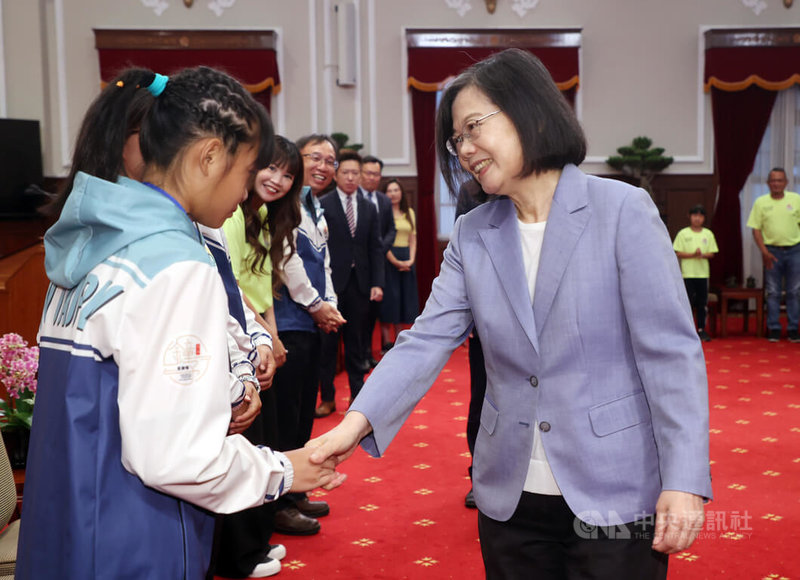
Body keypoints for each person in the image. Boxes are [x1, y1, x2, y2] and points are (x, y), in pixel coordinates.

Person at [309, 49, 711, 579]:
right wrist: (351, 426)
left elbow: (671, 355)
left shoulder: (622, 210)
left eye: (474, 127)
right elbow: (426, 341)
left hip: (615, 489)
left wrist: (683, 479)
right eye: (456, 140)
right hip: (510, 497)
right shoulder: (474, 234)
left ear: (531, 112)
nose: (465, 150)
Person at [17, 67, 343, 579]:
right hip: (136, 535)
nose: (245, 194)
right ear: (209, 156)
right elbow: (176, 458)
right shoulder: (174, 262)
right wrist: (282, 470)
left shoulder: (89, 242)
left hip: (66, 521)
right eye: (246, 171)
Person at [217, 135, 305, 577]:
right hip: (233, 342)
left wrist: (273, 337)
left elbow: (263, 284)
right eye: (272, 168)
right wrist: (261, 340)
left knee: (263, 439)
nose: (278, 179)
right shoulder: (228, 214)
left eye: (288, 174)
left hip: (255, 339)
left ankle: (256, 540)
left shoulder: (264, 215)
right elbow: (229, 287)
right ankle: (240, 553)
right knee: (244, 445)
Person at [318, 150, 384, 409]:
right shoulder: (323, 204)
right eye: (345, 172)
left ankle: (358, 395)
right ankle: (328, 398)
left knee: (358, 342)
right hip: (331, 283)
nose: (350, 177)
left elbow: (375, 247)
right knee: (328, 344)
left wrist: (377, 282)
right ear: (335, 175)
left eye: (354, 172)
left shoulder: (369, 206)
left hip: (360, 284)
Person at [455, 179, 490, 509]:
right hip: (487, 320)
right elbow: (465, 256)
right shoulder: (471, 191)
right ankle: (479, 475)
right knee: (482, 400)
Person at [746, 167, 800, 342]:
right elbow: (756, 230)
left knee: (794, 291)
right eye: (773, 180)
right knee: (774, 292)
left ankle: (793, 328)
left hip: (794, 251)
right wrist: (764, 252)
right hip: (771, 252)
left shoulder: (796, 199)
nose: (776, 183)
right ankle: (774, 328)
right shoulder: (761, 202)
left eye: (780, 180)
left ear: (786, 182)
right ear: (768, 183)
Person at [360, 155, 396, 366]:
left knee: (373, 313)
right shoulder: (354, 198)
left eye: (376, 174)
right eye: (369, 174)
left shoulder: (383, 200)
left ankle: (367, 354)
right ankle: (360, 355)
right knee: (359, 315)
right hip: (359, 266)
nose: (373, 178)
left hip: (379, 265)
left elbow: (391, 229)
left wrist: (379, 249)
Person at [379, 179, 419, 351]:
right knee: (389, 300)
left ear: (401, 192)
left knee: (403, 299)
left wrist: (410, 260)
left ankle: (399, 339)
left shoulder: (409, 212)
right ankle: (386, 341)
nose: (393, 194)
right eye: (390, 190)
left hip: (406, 258)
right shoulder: (382, 213)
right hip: (388, 258)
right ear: (385, 194)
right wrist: (395, 261)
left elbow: (413, 239)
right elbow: (380, 241)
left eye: (396, 190)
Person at [673, 204, 718, 342]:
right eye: (694, 215)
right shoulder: (683, 233)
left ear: (704, 218)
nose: (697, 219)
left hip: (702, 274)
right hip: (687, 274)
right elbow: (677, 252)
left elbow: (712, 253)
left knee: (701, 303)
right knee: (687, 303)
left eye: (700, 216)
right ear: (689, 217)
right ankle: (687, 330)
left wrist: (702, 254)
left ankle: (701, 329)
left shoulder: (708, 234)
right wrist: (693, 254)